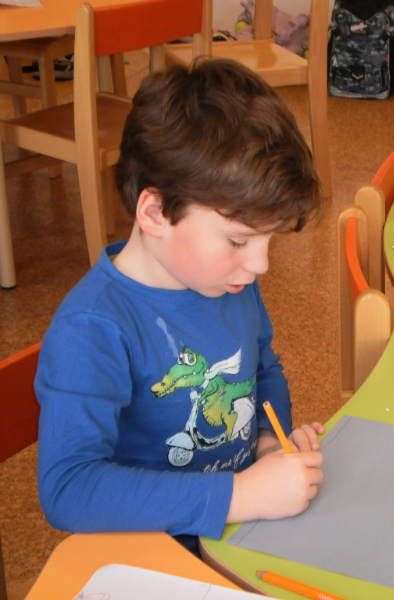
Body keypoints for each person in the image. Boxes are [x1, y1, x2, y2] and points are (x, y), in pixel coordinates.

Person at [35, 58, 325, 552]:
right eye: (239, 241)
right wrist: (239, 495)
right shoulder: (92, 328)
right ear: (155, 213)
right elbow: (68, 489)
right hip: (154, 554)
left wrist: (266, 443)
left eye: (268, 241)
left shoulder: (228, 281)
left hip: (238, 533)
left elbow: (262, 369)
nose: (260, 265)